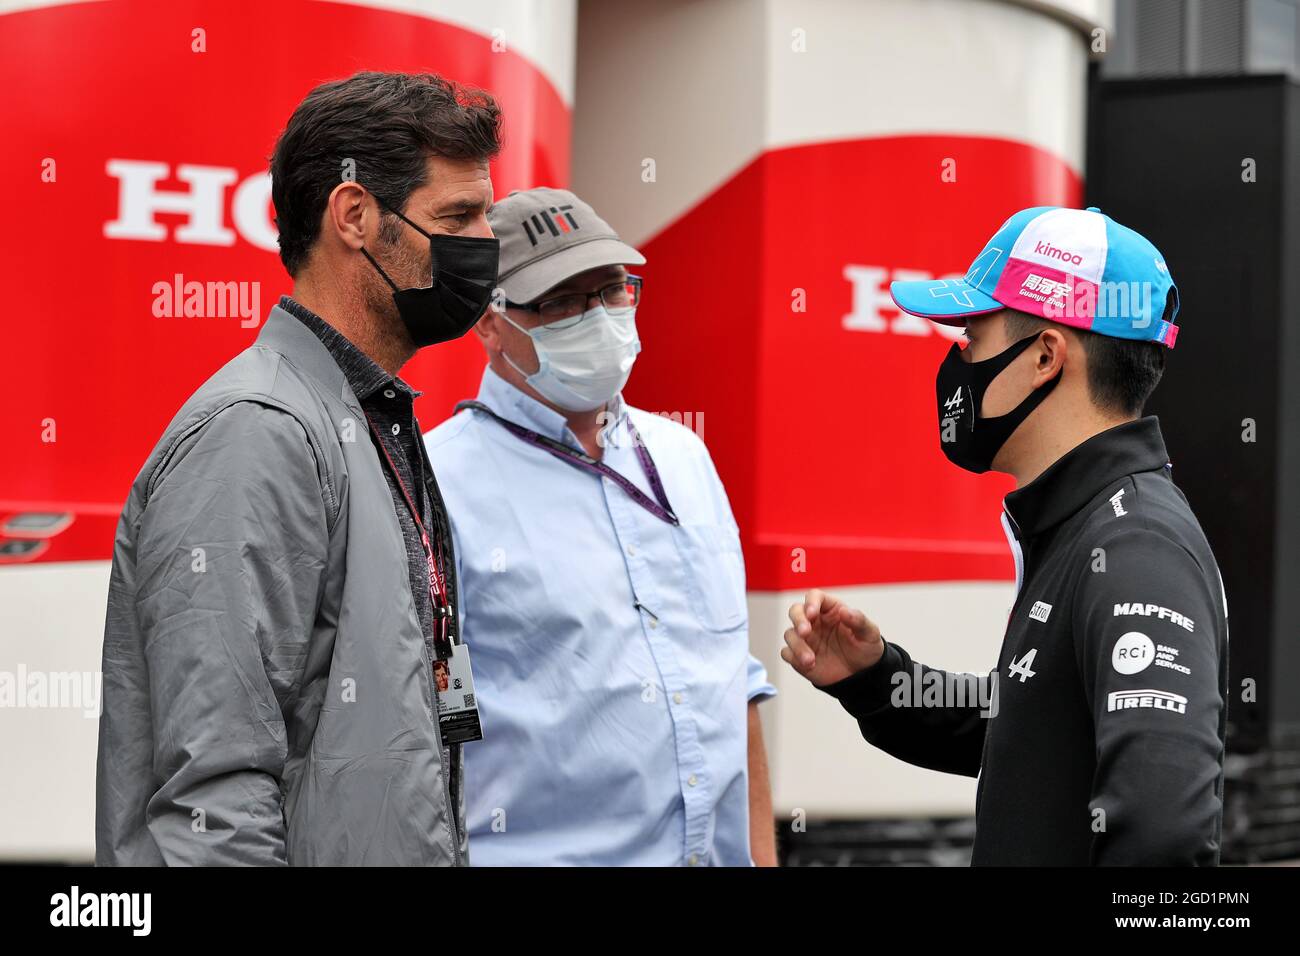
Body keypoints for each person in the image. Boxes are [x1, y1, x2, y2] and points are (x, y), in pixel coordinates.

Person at [96, 72, 501, 865]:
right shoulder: (259, 430)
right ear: (353, 216)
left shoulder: (369, 416)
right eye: (457, 216)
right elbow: (213, 802)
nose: (485, 242)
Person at [782, 206, 1228, 865]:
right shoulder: (1082, 522)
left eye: (973, 333)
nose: (959, 358)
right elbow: (1032, 724)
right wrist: (879, 680)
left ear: (1046, 355)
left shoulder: (1135, 546)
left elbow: (1164, 837)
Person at [424, 187, 778, 866]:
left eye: (612, 289)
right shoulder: (439, 483)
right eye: (560, 301)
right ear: (489, 321)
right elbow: (434, 721)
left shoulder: (683, 457)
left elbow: (737, 683)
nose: (597, 317)